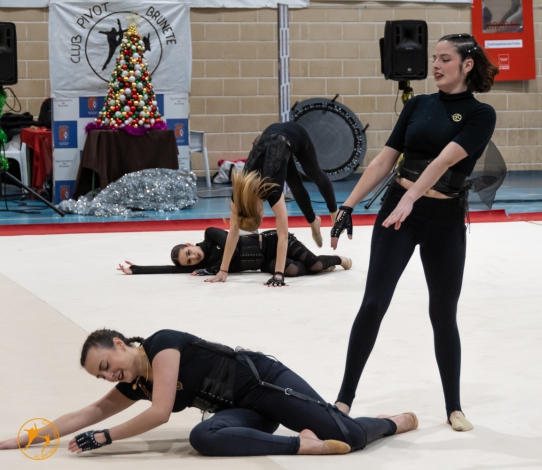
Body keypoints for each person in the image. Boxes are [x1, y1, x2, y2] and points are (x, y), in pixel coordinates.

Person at [329, 34, 500, 432]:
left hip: (444, 219)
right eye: (434, 58)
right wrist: (347, 205)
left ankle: (454, 407)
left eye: (445, 59)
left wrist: (412, 199)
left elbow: (443, 161)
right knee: (374, 303)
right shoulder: (418, 105)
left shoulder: (480, 114)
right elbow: (384, 160)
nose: (436, 65)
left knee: (443, 312)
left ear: (467, 65)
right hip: (398, 215)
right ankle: (343, 399)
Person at [0, 329, 418, 456]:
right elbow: (87, 414)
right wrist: (24, 438)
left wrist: (106, 438)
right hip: (245, 412)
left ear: (121, 345)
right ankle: (301, 444)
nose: (109, 377)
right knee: (203, 437)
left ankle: (391, 422)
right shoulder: (134, 383)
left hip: (265, 382)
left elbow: (161, 412)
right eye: (101, 376)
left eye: (107, 365)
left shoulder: (162, 345)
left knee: (349, 437)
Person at [207, 122, 339, 287]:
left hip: (295, 135)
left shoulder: (272, 190)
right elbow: (233, 231)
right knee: (294, 183)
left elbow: (283, 235)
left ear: (260, 212)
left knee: (314, 174)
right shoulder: (239, 195)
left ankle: (334, 214)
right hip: (275, 141)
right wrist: (223, 270)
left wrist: (278, 274)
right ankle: (313, 221)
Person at [117, 227, 351, 280]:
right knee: (290, 270)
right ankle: (321, 266)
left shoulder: (210, 235)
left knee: (315, 265)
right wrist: (136, 270)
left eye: (189, 253)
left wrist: (213, 269)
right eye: (188, 261)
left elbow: (235, 247)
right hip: (265, 262)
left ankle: (337, 260)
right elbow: (170, 270)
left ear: (190, 244)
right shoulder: (205, 265)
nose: (193, 258)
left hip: (275, 242)